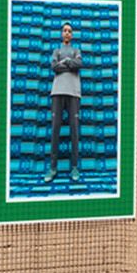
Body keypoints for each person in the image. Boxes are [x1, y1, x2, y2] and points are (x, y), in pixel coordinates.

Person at [46, 21, 85, 180]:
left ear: (72, 34)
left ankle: (74, 167)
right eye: (65, 30)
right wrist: (70, 64)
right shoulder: (56, 51)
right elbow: (54, 67)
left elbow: (79, 64)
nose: (67, 33)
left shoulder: (76, 50)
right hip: (57, 92)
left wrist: (67, 62)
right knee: (55, 129)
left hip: (73, 93)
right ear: (62, 34)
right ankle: (53, 168)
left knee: (74, 130)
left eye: (69, 31)